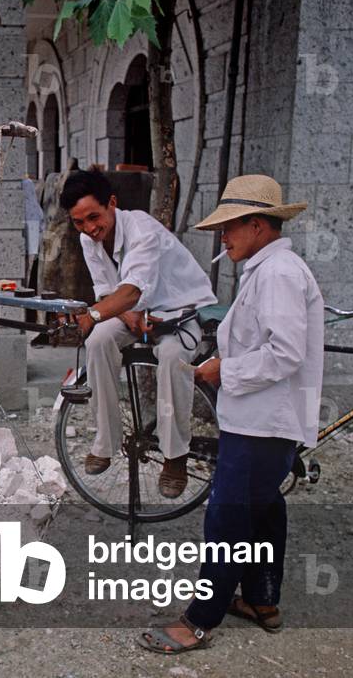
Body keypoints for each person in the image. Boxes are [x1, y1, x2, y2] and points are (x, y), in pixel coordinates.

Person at [140, 174, 324, 654]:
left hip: (265, 420)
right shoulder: (267, 270)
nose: (225, 238)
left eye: (231, 228)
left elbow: (285, 353)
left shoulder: (279, 273)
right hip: (260, 417)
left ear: (259, 226)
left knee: (227, 516)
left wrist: (226, 370)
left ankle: (200, 618)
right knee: (264, 507)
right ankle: (263, 600)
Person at [59, 170, 216, 498]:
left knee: (173, 358)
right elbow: (109, 292)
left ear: (112, 204)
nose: (89, 228)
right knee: (99, 339)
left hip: (179, 311)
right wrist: (125, 315)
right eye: (79, 222)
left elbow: (129, 292)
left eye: (93, 217)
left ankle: (175, 456)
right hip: (136, 307)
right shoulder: (89, 239)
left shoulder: (142, 229)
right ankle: (106, 440)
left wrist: (93, 315)